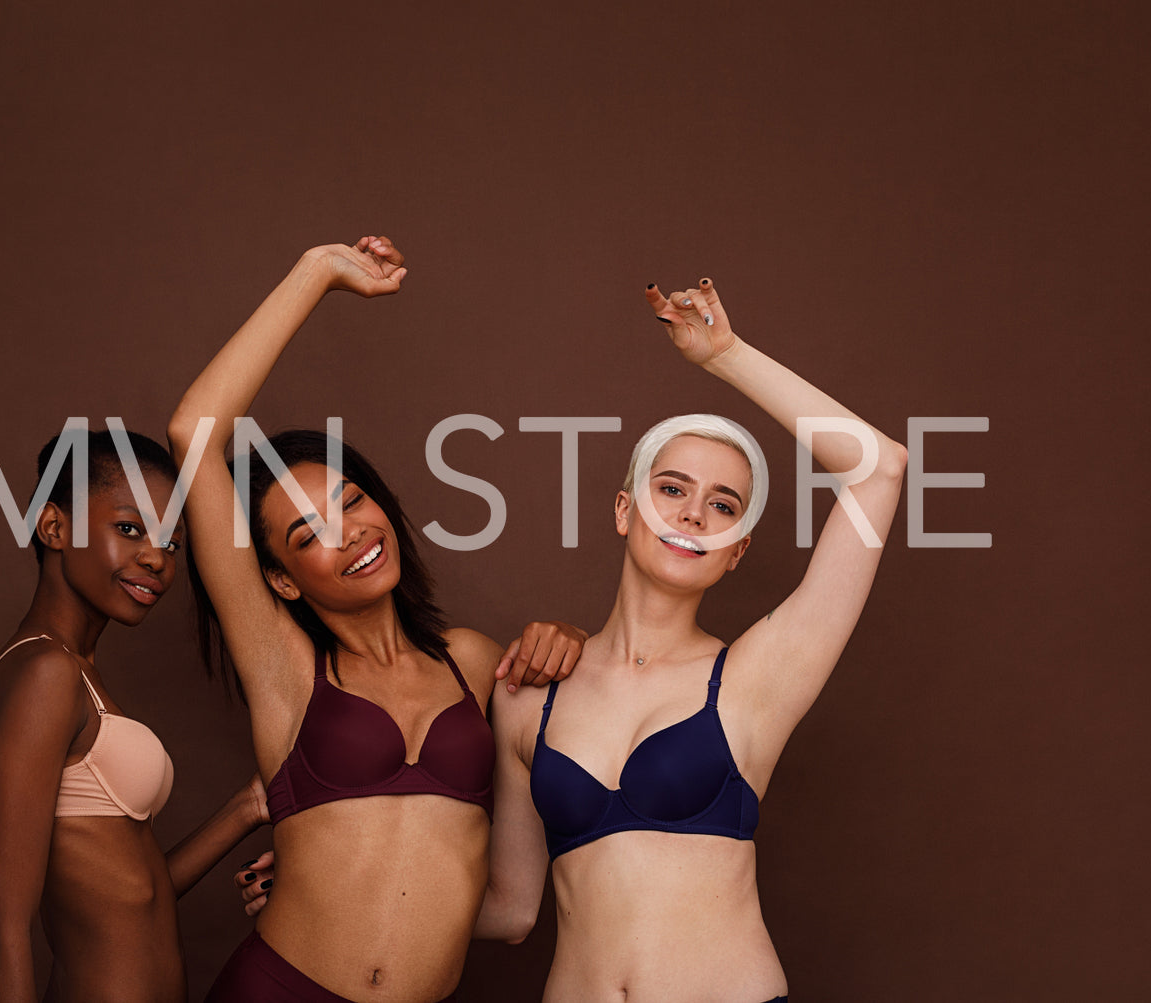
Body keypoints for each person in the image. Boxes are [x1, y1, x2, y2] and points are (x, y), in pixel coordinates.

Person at [167, 236, 586, 1002]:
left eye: (350, 501)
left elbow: (508, 909)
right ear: (282, 582)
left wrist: (572, 642)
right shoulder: (283, 668)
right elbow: (196, 434)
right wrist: (317, 272)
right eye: (307, 535)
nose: (349, 532)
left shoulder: (470, 659)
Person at [475, 277, 909, 1002]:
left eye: (723, 505)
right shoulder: (529, 697)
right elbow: (511, 909)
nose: (693, 514)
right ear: (625, 509)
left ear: (737, 547)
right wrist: (335, 891)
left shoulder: (755, 676)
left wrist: (723, 355)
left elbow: (879, 467)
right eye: (671, 488)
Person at [0, 429, 268, 1003]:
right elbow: (1, 930)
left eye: (173, 544)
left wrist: (246, 809)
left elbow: (135, 899)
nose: (157, 558)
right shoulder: (46, 675)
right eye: (129, 529)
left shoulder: (74, 671)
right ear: (54, 527)